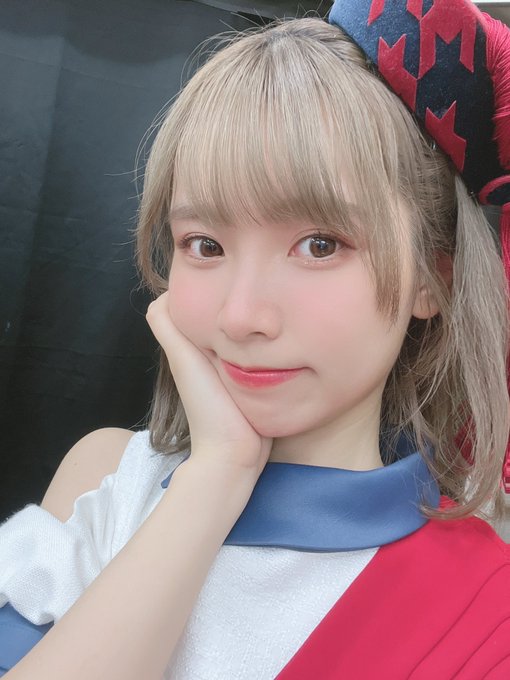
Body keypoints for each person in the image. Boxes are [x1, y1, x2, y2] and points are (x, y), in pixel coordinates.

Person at [1, 0, 510, 677]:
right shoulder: (104, 476)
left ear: (432, 280)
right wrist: (216, 476)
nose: (242, 316)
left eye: (320, 244)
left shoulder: (486, 610)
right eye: (205, 244)